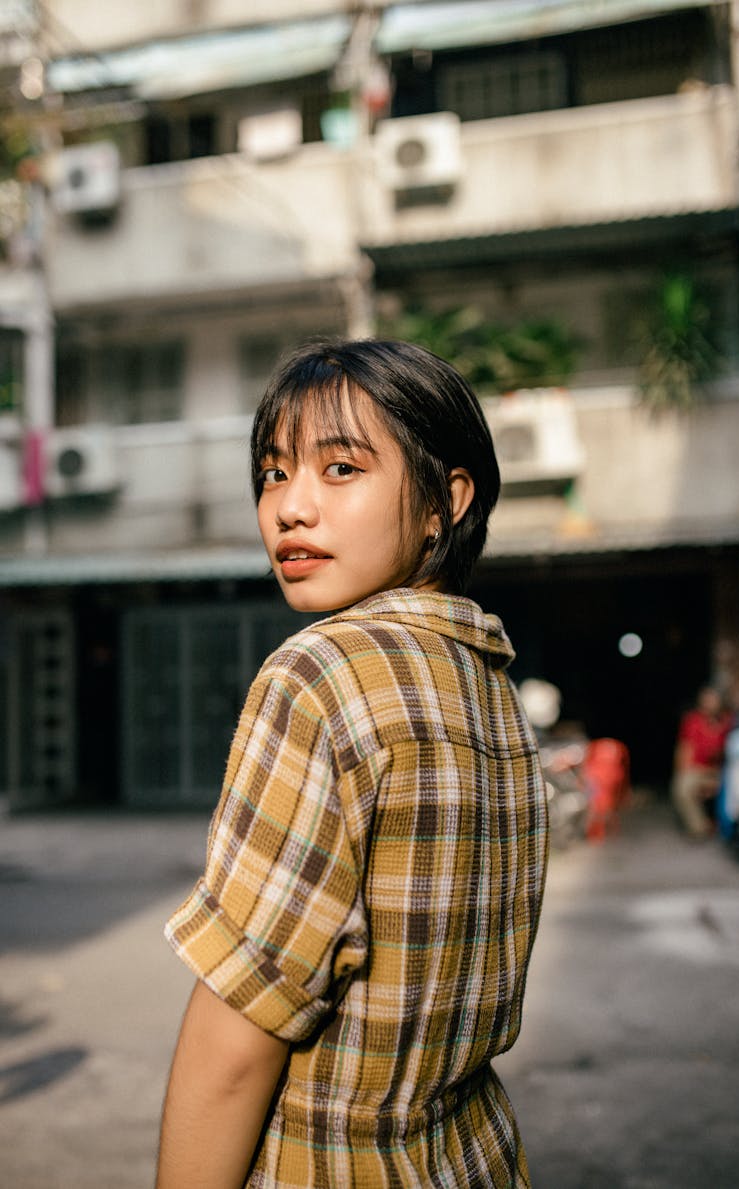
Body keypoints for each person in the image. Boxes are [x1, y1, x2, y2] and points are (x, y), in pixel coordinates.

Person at [155, 339, 549, 1188]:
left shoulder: (320, 674)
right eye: (272, 471)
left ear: (447, 498)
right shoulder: (491, 692)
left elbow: (238, 1035)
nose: (289, 508)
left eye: (340, 468)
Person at [671, 685, 732, 838]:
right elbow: (685, 748)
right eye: (706, 699)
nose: (709, 703)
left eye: (713, 699)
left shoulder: (728, 722)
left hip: (723, 771)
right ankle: (701, 828)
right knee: (682, 788)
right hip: (698, 769)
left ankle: (730, 828)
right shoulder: (693, 721)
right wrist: (683, 770)